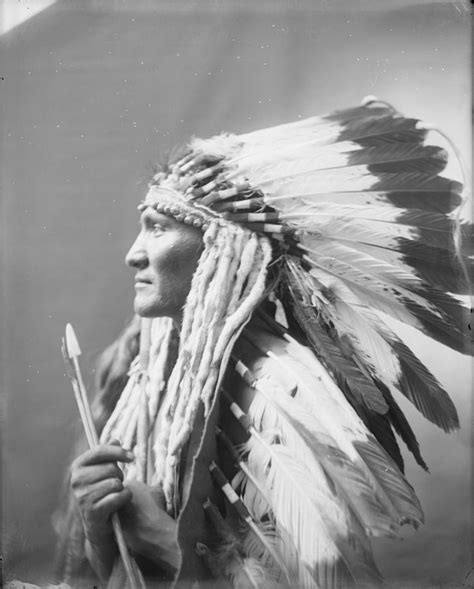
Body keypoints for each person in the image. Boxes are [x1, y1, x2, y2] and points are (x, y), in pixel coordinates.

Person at [54, 97, 471, 589]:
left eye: (158, 228)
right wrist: (102, 528)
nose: (133, 254)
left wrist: (163, 537)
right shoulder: (142, 363)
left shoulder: (282, 387)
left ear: (220, 247)